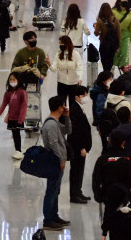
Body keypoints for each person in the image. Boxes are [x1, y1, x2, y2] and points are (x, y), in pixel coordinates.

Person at [40, 95, 72, 231]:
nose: (64, 107)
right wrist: (60, 159)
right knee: (51, 191)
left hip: (57, 161)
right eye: (63, 105)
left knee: (55, 190)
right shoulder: (51, 124)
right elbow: (53, 143)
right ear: (60, 107)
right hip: (54, 162)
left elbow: (68, 131)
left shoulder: (55, 121)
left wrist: (67, 117)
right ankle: (48, 220)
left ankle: (54, 215)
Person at [68, 86, 93, 204]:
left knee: (80, 170)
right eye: (84, 95)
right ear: (77, 97)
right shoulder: (74, 110)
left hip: (81, 146)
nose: (86, 97)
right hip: (77, 147)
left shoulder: (79, 107)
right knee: (76, 170)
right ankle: (74, 195)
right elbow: (76, 131)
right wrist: (81, 147)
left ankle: (78, 191)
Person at [0, 74, 28, 160]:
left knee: (17, 134)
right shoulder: (8, 93)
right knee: (14, 134)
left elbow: (24, 106)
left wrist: (21, 119)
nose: (12, 82)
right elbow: (3, 105)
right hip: (11, 118)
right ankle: (17, 150)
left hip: (19, 118)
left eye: (14, 80)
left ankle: (19, 150)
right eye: (11, 80)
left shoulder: (22, 92)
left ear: (18, 80)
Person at [51, 35, 84, 108]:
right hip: (61, 82)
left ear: (67, 44)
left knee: (73, 104)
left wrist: (80, 78)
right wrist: (49, 64)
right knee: (62, 104)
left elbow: (80, 67)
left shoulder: (75, 54)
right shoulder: (58, 54)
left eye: (61, 44)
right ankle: (62, 119)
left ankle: (73, 118)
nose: (60, 45)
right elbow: (54, 69)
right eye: (59, 44)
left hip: (73, 83)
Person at [94, 2, 121, 74]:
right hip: (113, 45)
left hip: (104, 45)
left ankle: (106, 76)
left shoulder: (100, 21)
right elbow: (119, 34)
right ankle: (109, 76)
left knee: (105, 63)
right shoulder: (115, 20)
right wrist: (118, 47)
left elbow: (96, 34)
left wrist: (95, 27)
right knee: (110, 61)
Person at [112, 0, 131, 70]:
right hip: (114, 37)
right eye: (123, 0)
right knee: (114, 55)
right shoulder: (113, 12)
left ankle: (125, 74)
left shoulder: (130, 15)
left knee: (125, 56)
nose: (125, 2)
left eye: (126, 1)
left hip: (125, 37)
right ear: (119, 2)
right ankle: (110, 74)